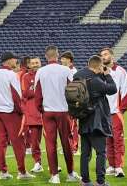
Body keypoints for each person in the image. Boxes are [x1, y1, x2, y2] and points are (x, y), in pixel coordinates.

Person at [35, 46, 80, 184]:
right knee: (66, 142)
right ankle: (70, 173)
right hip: (63, 111)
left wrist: (41, 109)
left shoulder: (40, 71)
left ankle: (54, 175)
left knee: (50, 143)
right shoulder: (66, 70)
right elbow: (73, 91)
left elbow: (38, 94)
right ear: (57, 55)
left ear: (46, 57)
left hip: (48, 112)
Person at [0, 52, 34, 180]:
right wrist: (21, 111)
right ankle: (22, 172)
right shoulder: (11, 75)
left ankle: (3, 172)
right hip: (12, 113)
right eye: (15, 60)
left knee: (1, 142)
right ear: (9, 61)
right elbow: (16, 96)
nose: (16, 62)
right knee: (18, 142)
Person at [77, 55, 118, 186]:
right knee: (101, 152)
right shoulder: (95, 80)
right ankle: (100, 181)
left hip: (83, 118)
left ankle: (85, 180)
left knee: (85, 153)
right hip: (97, 121)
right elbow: (112, 89)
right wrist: (107, 75)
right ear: (98, 66)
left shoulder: (78, 75)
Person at [100, 47, 127, 178]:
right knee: (107, 141)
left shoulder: (121, 71)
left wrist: (121, 109)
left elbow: (125, 90)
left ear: (112, 55)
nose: (103, 57)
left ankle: (119, 167)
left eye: (105, 54)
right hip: (104, 112)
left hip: (116, 112)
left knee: (118, 140)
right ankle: (111, 165)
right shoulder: (100, 72)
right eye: (102, 55)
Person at [20, 56, 45, 173]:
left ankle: (54, 164)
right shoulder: (25, 77)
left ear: (40, 63)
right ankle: (37, 163)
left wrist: (34, 91)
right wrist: (39, 91)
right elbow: (25, 93)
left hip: (47, 112)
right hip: (33, 113)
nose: (35, 65)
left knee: (52, 140)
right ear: (29, 65)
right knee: (34, 141)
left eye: (37, 62)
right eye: (33, 63)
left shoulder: (45, 74)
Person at [61, 51, 80, 156]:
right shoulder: (65, 70)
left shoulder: (73, 71)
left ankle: (74, 147)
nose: (61, 60)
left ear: (69, 59)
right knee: (66, 126)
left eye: (63, 58)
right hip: (64, 102)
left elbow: (74, 88)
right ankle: (69, 146)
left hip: (71, 102)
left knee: (72, 125)